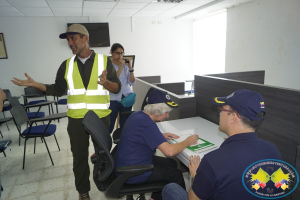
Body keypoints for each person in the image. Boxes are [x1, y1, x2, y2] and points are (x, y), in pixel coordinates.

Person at [11, 24, 121, 200]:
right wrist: (37, 84)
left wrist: (106, 83)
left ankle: (108, 185)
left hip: (100, 118)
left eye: (73, 38)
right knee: (79, 158)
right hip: (77, 120)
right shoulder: (66, 65)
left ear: (85, 38)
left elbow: (117, 88)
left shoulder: (104, 61)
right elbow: (58, 89)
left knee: (104, 155)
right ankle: (83, 192)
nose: (70, 43)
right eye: (68, 40)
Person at [162, 89, 282, 200]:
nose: (219, 114)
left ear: (233, 117)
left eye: (222, 110)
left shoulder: (213, 160)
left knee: (170, 188)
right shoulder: (273, 151)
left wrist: (195, 176)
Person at [114, 89, 198, 200]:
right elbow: (169, 151)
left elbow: (140, 134)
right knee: (176, 174)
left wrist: (159, 135)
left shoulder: (138, 115)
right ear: (157, 111)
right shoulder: (147, 124)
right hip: (132, 172)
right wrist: (187, 141)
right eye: (166, 112)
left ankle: (154, 198)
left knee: (171, 163)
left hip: (127, 162)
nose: (167, 116)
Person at [108, 43, 136, 133]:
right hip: (113, 99)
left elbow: (131, 82)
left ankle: (122, 144)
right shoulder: (108, 66)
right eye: (117, 53)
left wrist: (130, 68)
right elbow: (113, 81)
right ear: (111, 52)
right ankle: (105, 145)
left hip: (126, 97)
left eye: (122, 53)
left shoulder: (126, 66)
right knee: (109, 125)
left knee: (125, 125)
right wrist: (120, 67)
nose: (120, 55)